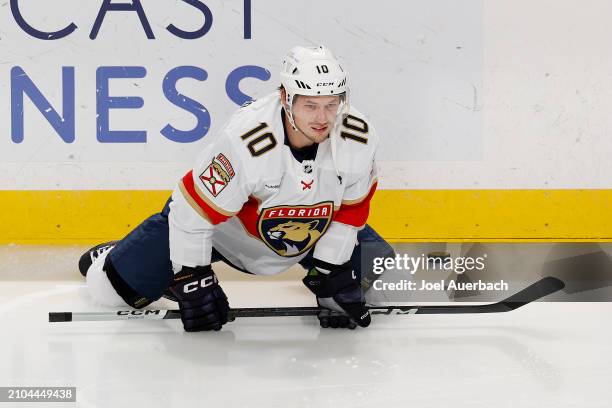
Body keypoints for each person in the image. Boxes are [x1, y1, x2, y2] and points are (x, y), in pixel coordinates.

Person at [79, 45, 394, 332]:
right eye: (311, 106)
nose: (323, 118)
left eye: (331, 105)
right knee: (110, 292)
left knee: (375, 262)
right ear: (286, 98)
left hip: (309, 229)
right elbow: (193, 211)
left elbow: (351, 211)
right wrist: (193, 278)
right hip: (224, 236)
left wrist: (330, 271)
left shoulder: (358, 136)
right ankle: (115, 254)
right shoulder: (247, 140)